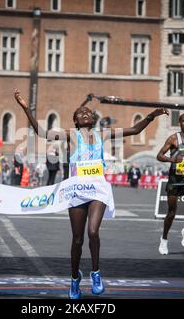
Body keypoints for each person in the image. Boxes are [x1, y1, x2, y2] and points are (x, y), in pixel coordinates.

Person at [14, 88, 167, 299]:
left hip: (98, 188)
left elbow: (133, 130)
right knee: (77, 240)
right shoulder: (71, 135)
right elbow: (41, 132)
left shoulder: (102, 134)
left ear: (93, 118)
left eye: (88, 112)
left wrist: (151, 116)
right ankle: (75, 279)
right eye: (80, 112)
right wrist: (25, 107)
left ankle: (96, 273)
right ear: (75, 121)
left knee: (93, 232)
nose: (86, 113)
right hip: (77, 189)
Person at [156, 113, 184, 255]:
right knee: (171, 213)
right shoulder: (173, 139)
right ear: (180, 123)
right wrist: (173, 160)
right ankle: (164, 239)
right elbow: (159, 155)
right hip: (175, 181)